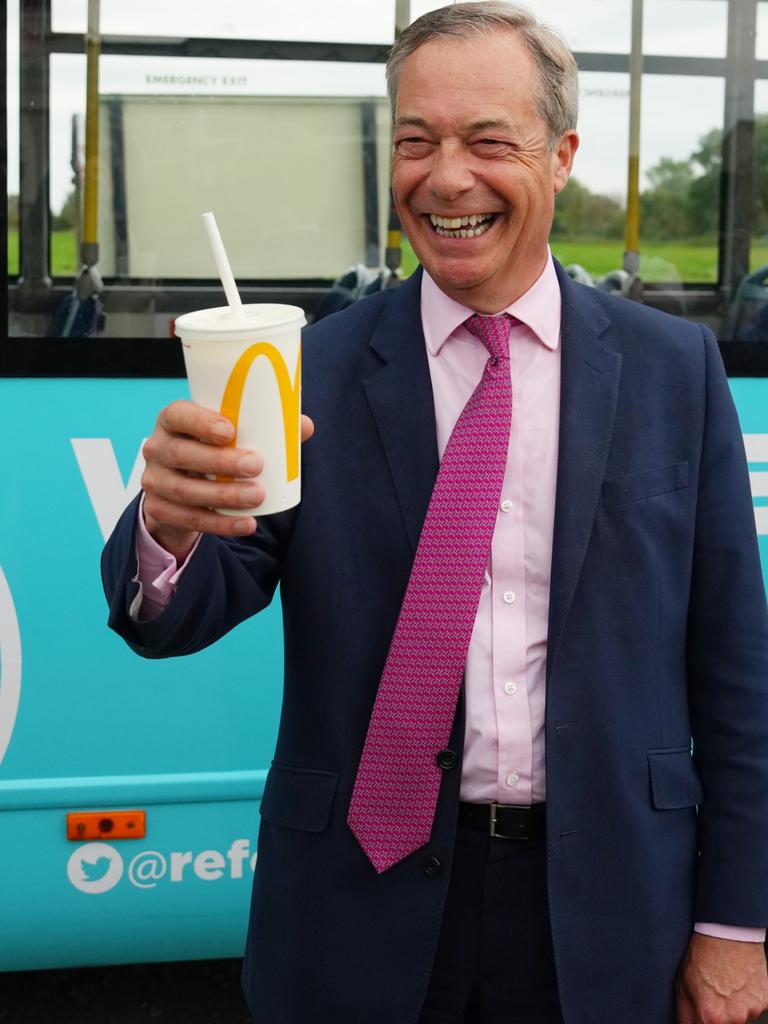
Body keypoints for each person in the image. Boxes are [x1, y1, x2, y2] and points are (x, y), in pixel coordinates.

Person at [102, 4, 768, 1022]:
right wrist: (170, 525)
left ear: (562, 157)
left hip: (608, 911)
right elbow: (184, 613)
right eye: (416, 142)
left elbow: (735, 671)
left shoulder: (674, 371)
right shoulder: (307, 369)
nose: (446, 178)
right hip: (354, 912)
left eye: (488, 141)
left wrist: (736, 924)